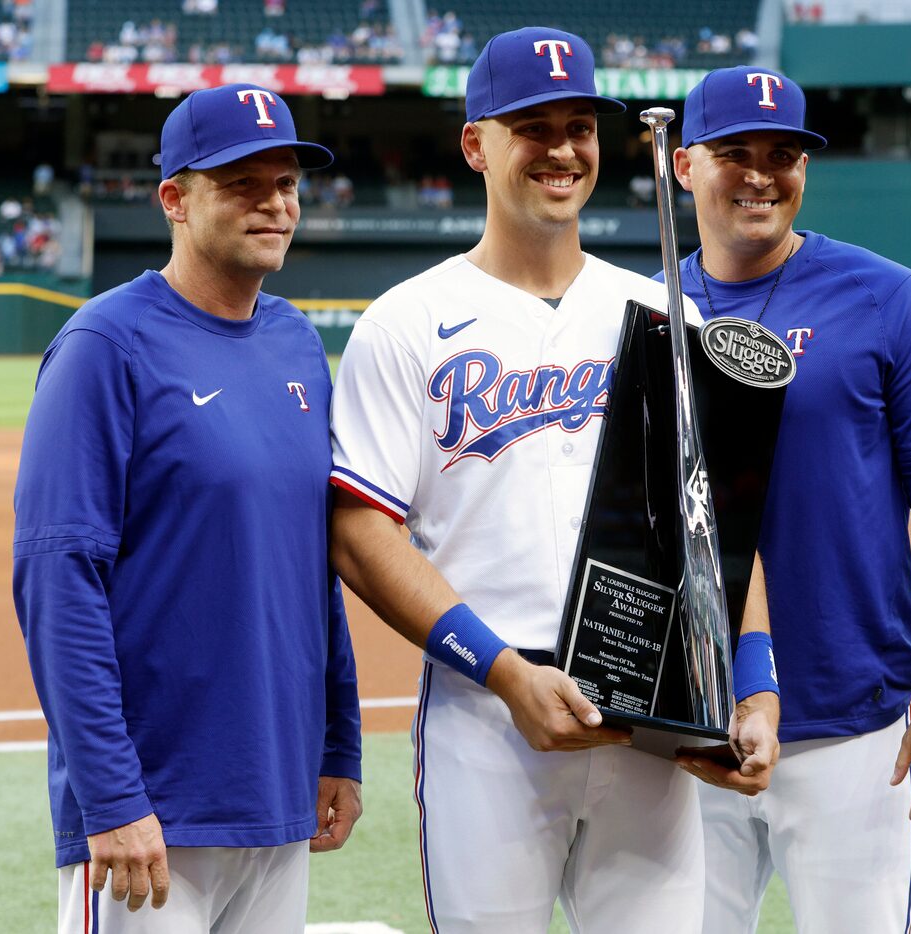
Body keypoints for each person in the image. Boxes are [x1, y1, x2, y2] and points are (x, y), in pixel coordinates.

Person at [327, 27, 778, 934]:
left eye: (580, 126)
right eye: (532, 127)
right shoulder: (407, 321)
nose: (563, 149)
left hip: (647, 727)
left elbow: (712, 524)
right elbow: (357, 532)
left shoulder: (659, 309)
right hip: (487, 721)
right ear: (475, 145)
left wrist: (753, 687)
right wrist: (501, 673)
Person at [12, 83, 362, 934]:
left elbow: (312, 568)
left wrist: (338, 746)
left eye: (286, 183)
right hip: (154, 814)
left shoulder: (296, 344)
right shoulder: (104, 346)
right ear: (174, 197)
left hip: (275, 796)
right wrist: (110, 796)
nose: (274, 203)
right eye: (242, 182)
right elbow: (58, 580)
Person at [661, 65, 911, 932]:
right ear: (684, 165)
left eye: (785, 153)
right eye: (736, 151)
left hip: (852, 720)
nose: (762, 173)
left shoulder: (889, 300)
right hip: (688, 722)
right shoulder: (638, 309)